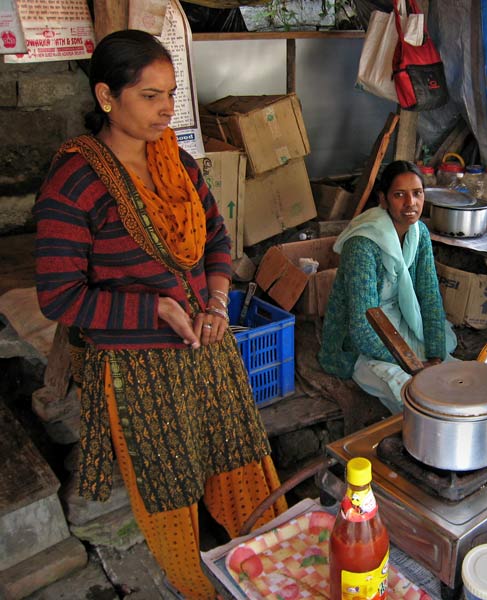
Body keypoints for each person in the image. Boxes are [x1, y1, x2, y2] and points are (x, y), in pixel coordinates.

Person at [34, 30, 286, 600]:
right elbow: (60, 297)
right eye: (149, 96)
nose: (165, 109)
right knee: (170, 487)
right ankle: (193, 586)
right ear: (105, 97)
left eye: (170, 93)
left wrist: (217, 301)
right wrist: (157, 309)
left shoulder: (176, 160)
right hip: (137, 370)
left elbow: (218, 236)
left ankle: (267, 568)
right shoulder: (74, 182)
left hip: (207, 345)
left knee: (239, 459)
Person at [318, 160, 457, 413]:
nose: (410, 203)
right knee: (412, 395)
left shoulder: (419, 233)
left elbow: (429, 296)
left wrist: (435, 357)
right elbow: (361, 325)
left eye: (417, 193)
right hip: (362, 343)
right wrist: (412, 365)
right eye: (399, 195)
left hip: (403, 322)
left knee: (449, 379)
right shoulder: (362, 245)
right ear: (383, 199)